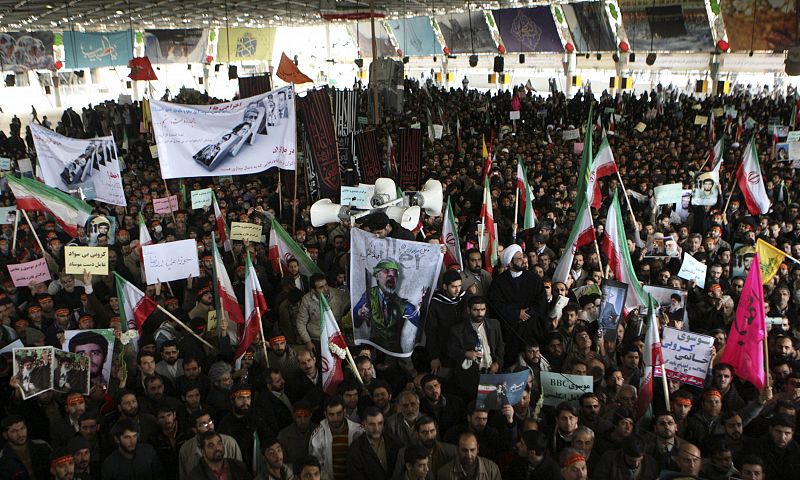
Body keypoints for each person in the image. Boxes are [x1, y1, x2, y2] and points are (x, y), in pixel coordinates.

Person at [353, 258, 421, 353]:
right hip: (375, 352)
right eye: (386, 271)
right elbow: (355, 320)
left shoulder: (401, 304)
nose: (391, 275)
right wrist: (360, 312)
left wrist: (422, 306)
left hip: (394, 355)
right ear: (377, 275)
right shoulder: (369, 295)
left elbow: (419, 321)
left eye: (394, 273)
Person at [308, 395, 364, 480]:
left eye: (339, 413)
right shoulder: (317, 436)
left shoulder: (358, 431)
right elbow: (315, 465)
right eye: (331, 414)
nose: (335, 418)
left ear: (344, 412)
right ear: (325, 414)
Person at [346, 407, 402, 480]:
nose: (377, 429)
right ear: (363, 425)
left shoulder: (394, 442)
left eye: (380, 423)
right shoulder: (355, 449)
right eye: (372, 424)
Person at [0, 415, 52, 479]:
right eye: (14, 431)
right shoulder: (3, 458)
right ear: (5, 435)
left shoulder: (42, 446)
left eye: (22, 428)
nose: (20, 434)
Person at [436, 432, 501, 480]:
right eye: (465, 450)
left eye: (472, 450)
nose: (469, 455)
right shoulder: (445, 473)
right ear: (458, 450)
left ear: (478, 449)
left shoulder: (492, 469)